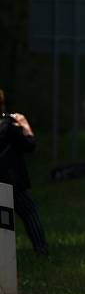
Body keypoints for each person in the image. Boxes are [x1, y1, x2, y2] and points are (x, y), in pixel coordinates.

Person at [0, 89, 48, 255]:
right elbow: (29, 145)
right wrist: (25, 125)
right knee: (29, 212)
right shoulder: (9, 126)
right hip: (10, 179)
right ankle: (41, 251)